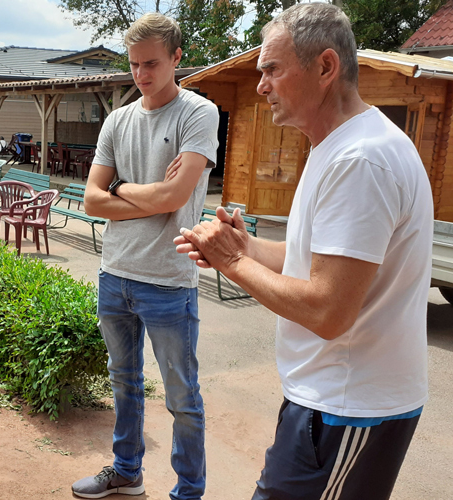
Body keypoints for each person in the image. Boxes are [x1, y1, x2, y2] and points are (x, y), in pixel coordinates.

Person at [175, 4, 433, 500]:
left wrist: (231, 261)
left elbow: (327, 309)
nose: (261, 85)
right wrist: (245, 245)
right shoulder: (336, 146)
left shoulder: (360, 160)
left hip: (351, 406)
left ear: (325, 67)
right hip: (330, 401)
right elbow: (310, 260)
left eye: (272, 69)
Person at [71, 13, 219, 500]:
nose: (141, 74)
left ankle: (189, 491)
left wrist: (121, 188)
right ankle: (126, 471)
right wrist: (144, 193)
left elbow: (174, 199)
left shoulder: (198, 113)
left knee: (182, 397)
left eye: (151, 63)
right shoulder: (118, 119)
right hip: (115, 274)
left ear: (177, 57)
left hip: (168, 280)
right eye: (134, 64)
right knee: (124, 385)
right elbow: (90, 200)